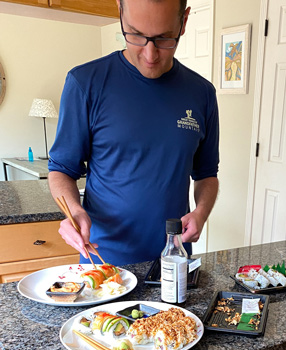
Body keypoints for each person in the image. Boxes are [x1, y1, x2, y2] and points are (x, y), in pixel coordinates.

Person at [48, 0, 219, 266]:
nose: (150, 55)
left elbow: (207, 174)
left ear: (183, 22)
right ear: (120, 12)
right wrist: (75, 210)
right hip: (103, 260)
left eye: (164, 38)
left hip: (172, 262)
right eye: (136, 35)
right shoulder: (85, 83)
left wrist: (201, 212)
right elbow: (61, 169)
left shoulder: (202, 93)